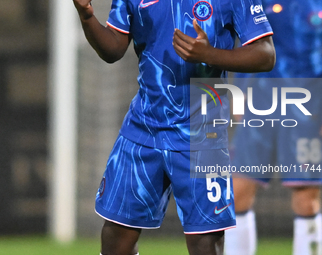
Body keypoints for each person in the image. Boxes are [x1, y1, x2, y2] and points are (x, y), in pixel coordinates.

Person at [73, 0, 275, 254]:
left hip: (202, 135)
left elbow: (266, 54)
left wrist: (209, 54)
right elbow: (113, 48)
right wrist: (87, 15)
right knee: (116, 238)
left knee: (204, 243)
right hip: (142, 130)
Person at [224, 0, 322, 255]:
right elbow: (242, 42)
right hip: (257, 109)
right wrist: (237, 94)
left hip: (306, 113)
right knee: (238, 191)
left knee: (306, 197)